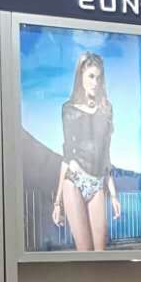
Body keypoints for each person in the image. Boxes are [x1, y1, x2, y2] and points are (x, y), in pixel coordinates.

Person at [52, 52, 121, 251]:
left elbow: (106, 155)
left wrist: (114, 195)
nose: (95, 82)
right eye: (91, 76)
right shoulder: (69, 109)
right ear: (81, 76)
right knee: (85, 252)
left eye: (98, 78)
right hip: (74, 181)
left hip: (97, 184)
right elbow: (67, 155)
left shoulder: (106, 109)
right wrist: (57, 202)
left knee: (100, 253)